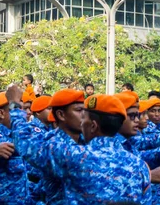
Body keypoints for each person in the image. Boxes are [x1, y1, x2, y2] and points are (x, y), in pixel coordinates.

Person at [9, 87, 152, 204]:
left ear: (93, 126)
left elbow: (25, 142)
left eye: (85, 118)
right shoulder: (140, 165)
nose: (82, 122)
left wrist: (14, 106)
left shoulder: (77, 157)